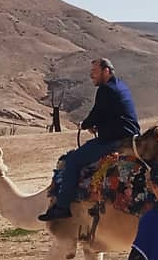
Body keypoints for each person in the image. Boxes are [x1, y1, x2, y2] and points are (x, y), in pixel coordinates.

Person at [38, 58, 140, 221]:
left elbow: (96, 114)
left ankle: (63, 207)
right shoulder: (120, 85)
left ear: (106, 71)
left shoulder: (106, 90)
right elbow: (110, 114)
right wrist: (97, 125)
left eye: (95, 71)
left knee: (73, 161)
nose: (91, 75)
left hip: (116, 140)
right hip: (127, 135)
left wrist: (85, 125)